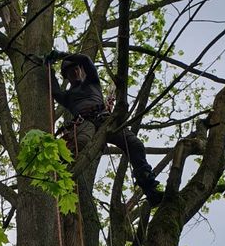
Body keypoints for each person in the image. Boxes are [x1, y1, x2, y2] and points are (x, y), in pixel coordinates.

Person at [49, 53, 163, 206]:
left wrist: (62, 55)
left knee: (135, 144)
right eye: (70, 72)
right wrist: (48, 67)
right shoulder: (68, 96)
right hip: (85, 123)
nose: (75, 73)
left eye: (76, 69)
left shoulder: (92, 82)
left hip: (104, 120)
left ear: (81, 70)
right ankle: (57, 175)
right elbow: (55, 90)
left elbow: (86, 59)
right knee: (81, 142)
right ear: (67, 76)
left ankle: (149, 188)